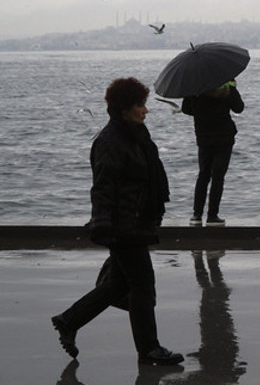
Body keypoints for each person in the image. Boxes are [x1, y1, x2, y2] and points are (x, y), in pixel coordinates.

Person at [51, 77, 183, 365]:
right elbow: (103, 186)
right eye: (140, 105)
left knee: (118, 285)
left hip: (136, 222)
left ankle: (69, 320)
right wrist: (102, 224)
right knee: (143, 284)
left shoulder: (136, 136)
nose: (145, 111)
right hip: (123, 226)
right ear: (125, 109)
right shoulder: (110, 141)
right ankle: (149, 349)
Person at [182, 80, 244, 225]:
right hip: (224, 137)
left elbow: (186, 109)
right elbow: (239, 108)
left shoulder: (194, 86)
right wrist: (232, 89)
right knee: (218, 176)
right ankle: (212, 215)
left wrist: (200, 108)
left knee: (203, 174)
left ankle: (196, 215)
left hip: (203, 136)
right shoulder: (226, 85)